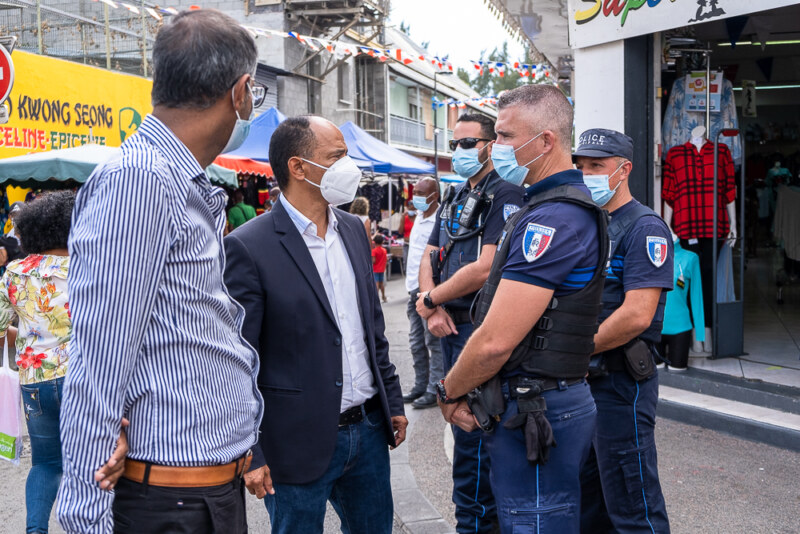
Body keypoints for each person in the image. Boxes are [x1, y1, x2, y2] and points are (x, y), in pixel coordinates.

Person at [57, 9, 265, 532]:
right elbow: (99, 355)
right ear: (240, 92)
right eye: (255, 96)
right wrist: (86, 517)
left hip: (200, 489)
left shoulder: (176, 181)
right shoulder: (142, 182)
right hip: (167, 503)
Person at [436, 85, 608, 533]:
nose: (497, 149)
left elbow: (495, 341)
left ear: (547, 141)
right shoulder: (544, 206)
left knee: (534, 522)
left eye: (507, 137)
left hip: (539, 406)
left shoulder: (554, 218)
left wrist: (449, 390)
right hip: (536, 401)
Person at [223, 115, 407, 534]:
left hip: (368, 432)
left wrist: (391, 403)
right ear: (298, 167)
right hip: (293, 443)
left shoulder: (354, 231)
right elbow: (236, 360)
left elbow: (371, 330)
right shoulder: (249, 247)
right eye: (336, 156)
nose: (349, 166)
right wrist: (252, 449)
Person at [416, 112, 525, 533]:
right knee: (463, 437)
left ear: (490, 145)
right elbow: (430, 254)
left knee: (477, 437)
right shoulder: (455, 194)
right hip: (446, 324)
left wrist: (430, 299)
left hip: (478, 327)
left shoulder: (507, 194)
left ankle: (480, 525)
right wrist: (430, 305)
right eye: (455, 144)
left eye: (468, 143)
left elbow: (485, 268)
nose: (459, 152)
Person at [574, 129, 672, 533]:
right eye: (580, 167)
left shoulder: (644, 227)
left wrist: (574, 353)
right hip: (583, 382)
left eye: (597, 166)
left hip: (619, 383)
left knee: (633, 504)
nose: (587, 175)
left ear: (624, 169)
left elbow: (637, 315)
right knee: (590, 502)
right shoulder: (587, 222)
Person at [0, 192, 79, 534]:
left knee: (45, 463)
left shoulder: (15, 272)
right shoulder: (87, 266)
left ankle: (35, 530)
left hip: (34, 381)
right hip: (83, 380)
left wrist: (31, 332)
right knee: (93, 461)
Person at [403, 177, 444, 409]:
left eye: (419, 193)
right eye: (414, 192)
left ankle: (434, 389)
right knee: (415, 342)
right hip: (412, 288)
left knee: (433, 342)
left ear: (434, 196)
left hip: (428, 291)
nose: (414, 196)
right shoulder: (418, 216)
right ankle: (420, 385)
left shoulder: (439, 219)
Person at [372, 233, 388, 302]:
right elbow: (385, 259)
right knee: (381, 283)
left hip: (375, 269)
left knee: (376, 283)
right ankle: (383, 296)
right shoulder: (384, 250)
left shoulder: (374, 251)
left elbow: (374, 261)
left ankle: (376, 298)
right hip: (382, 269)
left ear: (374, 242)